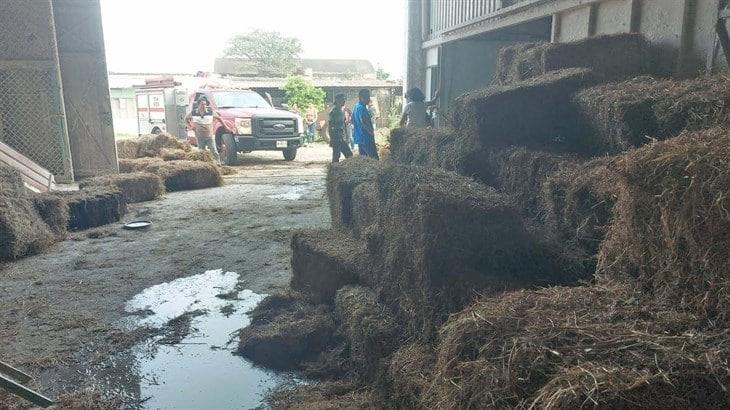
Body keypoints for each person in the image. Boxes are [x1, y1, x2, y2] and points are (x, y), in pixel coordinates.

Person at [185, 97, 229, 164]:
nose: (204, 106)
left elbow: (219, 118)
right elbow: (186, 119)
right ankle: (203, 164)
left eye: (205, 104)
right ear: (198, 104)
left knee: (213, 150)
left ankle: (218, 163)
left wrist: (226, 127)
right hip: (199, 136)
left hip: (209, 136)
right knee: (201, 151)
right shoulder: (193, 113)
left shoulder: (210, 112)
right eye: (202, 104)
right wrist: (190, 127)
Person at [352, 89, 378, 159]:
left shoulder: (356, 106)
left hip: (359, 137)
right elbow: (363, 121)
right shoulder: (361, 108)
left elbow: (352, 120)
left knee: (364, 159)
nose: (369, 99)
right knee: (374, 158)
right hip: (366, 137)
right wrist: (370, 132)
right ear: (361, 98)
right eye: (367, 97)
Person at [328, 94, 353, 162]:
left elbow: (343, 124)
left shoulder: (341, 111)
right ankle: (334, 170)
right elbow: (330, 126)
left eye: (344, 99)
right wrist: (332, 139)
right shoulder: (334, 112)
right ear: (337, 100)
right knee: (338, 156)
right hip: (337, 138)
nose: (344, 101)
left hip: (341, 137)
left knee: (348, 155)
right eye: (342, 99)